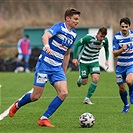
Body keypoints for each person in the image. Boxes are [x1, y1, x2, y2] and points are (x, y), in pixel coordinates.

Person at [9, 7, 81, 127]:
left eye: (78, 19)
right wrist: (47, 46)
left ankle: (43, 118)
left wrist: (63, 70)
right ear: (67, 18)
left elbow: (67, 52)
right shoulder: (59, 27)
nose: (77, 21)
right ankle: (17, 105)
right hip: (44, 65)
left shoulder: (74, 34)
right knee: (35, 96)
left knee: (63, 93)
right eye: (75, 19)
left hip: (57, 68)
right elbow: (45, 36)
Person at [72, 27, 109, 104]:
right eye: (101, 36)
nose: (102, 38)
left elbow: (107, 49)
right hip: (83, 61)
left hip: (94, 61)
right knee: (84, 82)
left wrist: (107, 60)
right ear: (97, 34)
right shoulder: (88, 38)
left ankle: (87, 98)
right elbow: (76, 45)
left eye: (103, 37)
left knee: (95, 79)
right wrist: (75, 58)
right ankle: (80, 79)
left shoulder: (105, 41)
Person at [113, 17, 133, 113]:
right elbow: (114, 53)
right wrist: (121, 50)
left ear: (129, 26)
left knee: (129, 81)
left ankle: (132, 92)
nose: (124, 28)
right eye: (122, 26)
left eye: (126, 26)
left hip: (131, 64)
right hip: (120, 66)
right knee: (121, 88)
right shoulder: (116, 37)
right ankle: (126, 105)